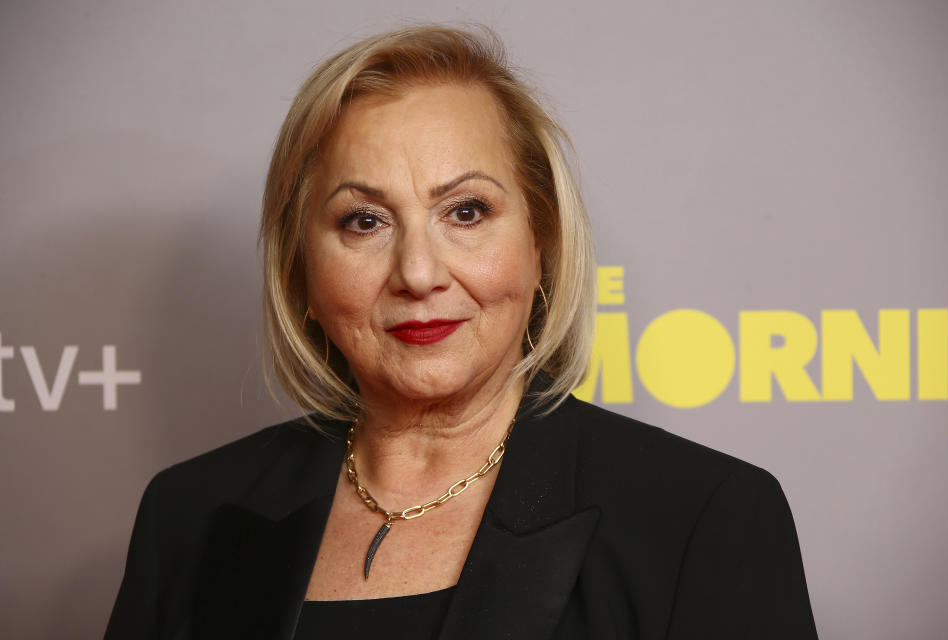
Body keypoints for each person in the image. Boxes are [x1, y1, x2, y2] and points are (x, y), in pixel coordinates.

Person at [105, 25, 818, 640]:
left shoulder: (707, 519)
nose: (418, 273)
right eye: (364, 221)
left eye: (467, 212)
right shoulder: (188, 517)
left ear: (542, 244)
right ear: (302, 277)